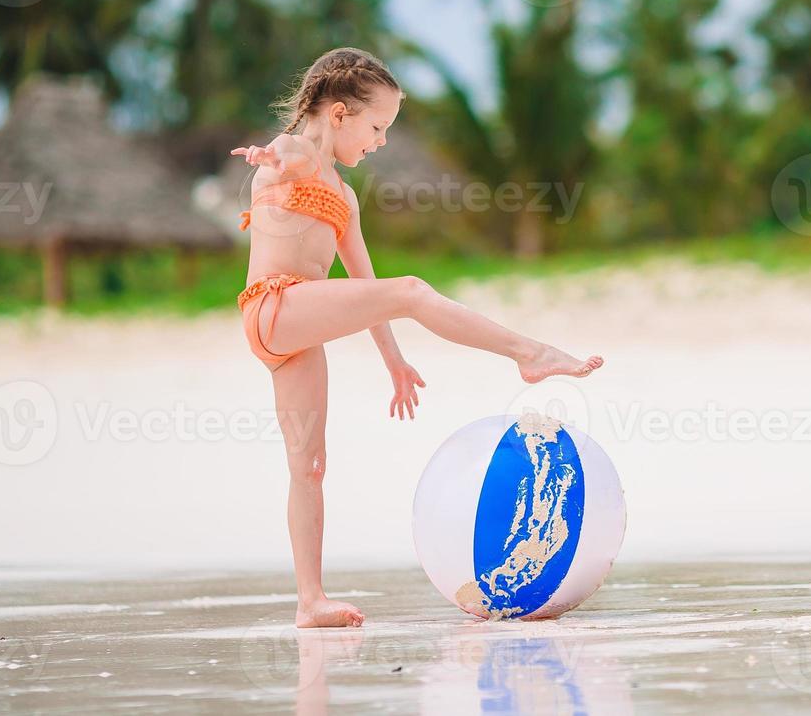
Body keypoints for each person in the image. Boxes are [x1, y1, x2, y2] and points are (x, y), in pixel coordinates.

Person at [231, 47, 603, 628]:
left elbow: (363, 287)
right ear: (337, 113)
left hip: (298, 332)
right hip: (275, 307)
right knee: (412, 289)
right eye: (376, 127)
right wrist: (267, 153)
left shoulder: (346, 198)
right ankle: (528, 353)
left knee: (310, 466)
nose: (379, 141)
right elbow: (287, 155)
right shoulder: (298, 152)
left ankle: (310, 601)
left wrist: (395, 362)